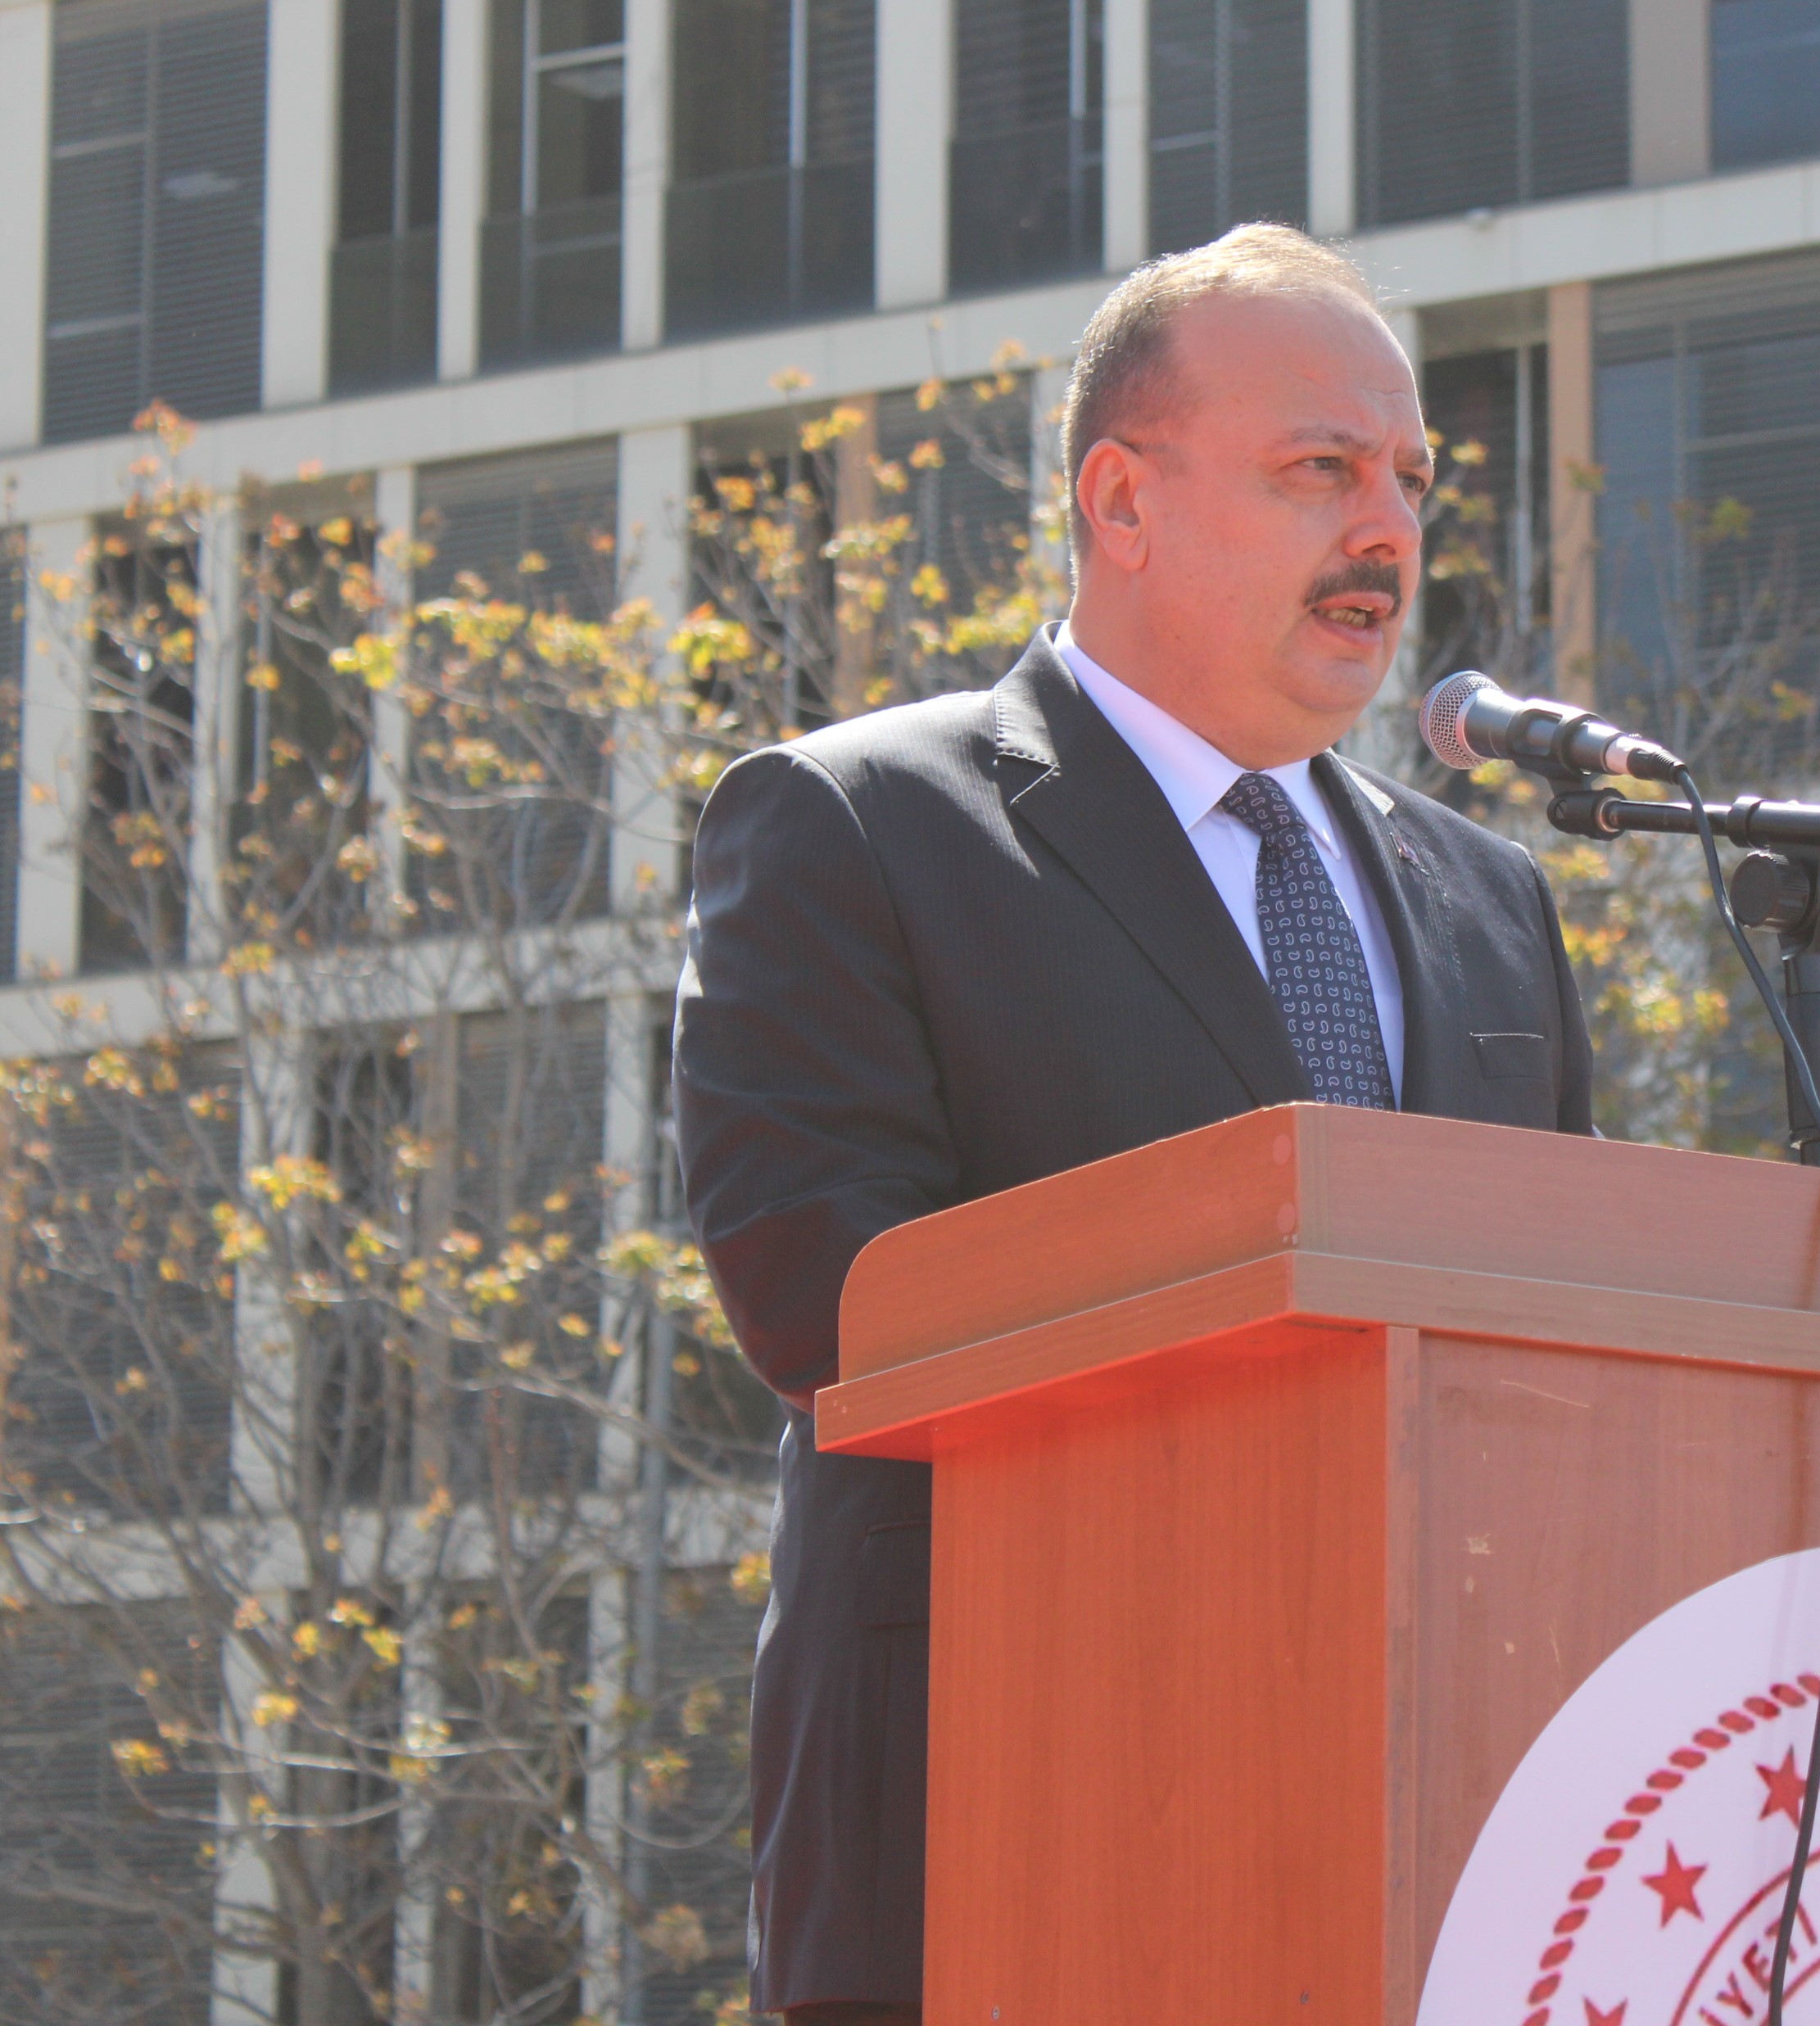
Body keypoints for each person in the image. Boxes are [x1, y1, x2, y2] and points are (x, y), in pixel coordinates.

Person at [672, 222, 1596, 2023]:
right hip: (1017, 1823)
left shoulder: (1499, 903)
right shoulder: (861, 826)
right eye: (1320, 468)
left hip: (1449, 1847)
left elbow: (1552, 1377)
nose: (1389, 530)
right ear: (1123, 497)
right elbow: (821, 1292)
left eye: (1408, 476)